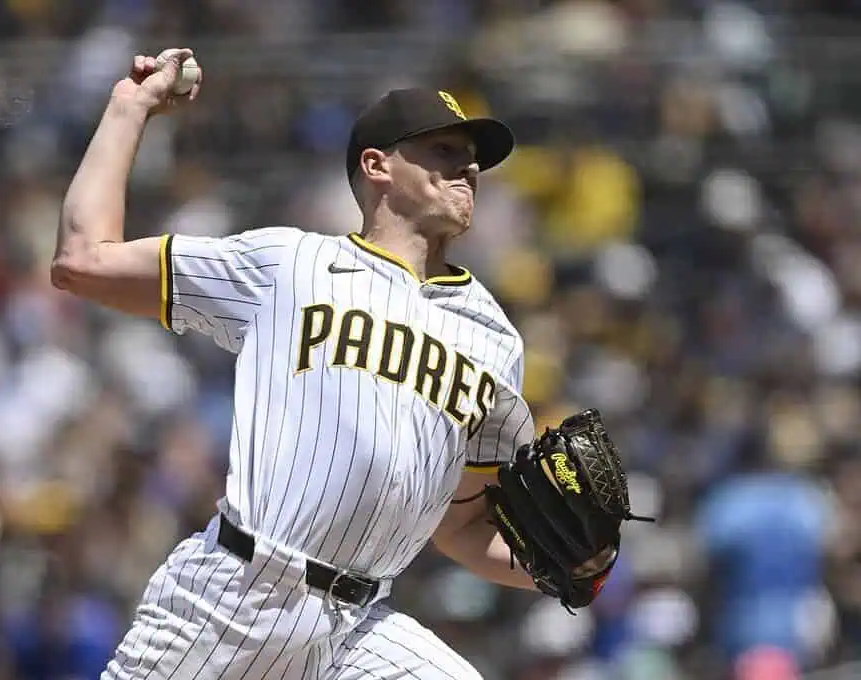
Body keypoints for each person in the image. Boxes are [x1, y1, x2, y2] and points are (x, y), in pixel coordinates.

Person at [51, 47, 613, 680]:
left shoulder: (494, 338)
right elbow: (83, 260)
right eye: (445, 152)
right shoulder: (288, 265)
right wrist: (131, 108)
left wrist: (574, 567)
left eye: (473, 158)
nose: (470, 169)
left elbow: (458, 527)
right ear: (377, 165)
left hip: (357, 626)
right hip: (237, 598)